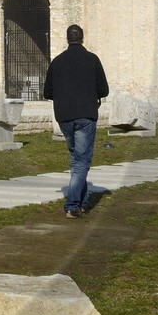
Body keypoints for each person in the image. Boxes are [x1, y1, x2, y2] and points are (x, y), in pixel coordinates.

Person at [43, 24, 109, 218]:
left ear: (67, 39)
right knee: (81, 160)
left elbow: (47, 92)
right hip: (86, 115)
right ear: (82, 38)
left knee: (77, 158)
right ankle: (72, 205)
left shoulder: (57, 62)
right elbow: (104, 90)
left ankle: (81, 202)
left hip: (64, 117)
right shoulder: (92, 60)